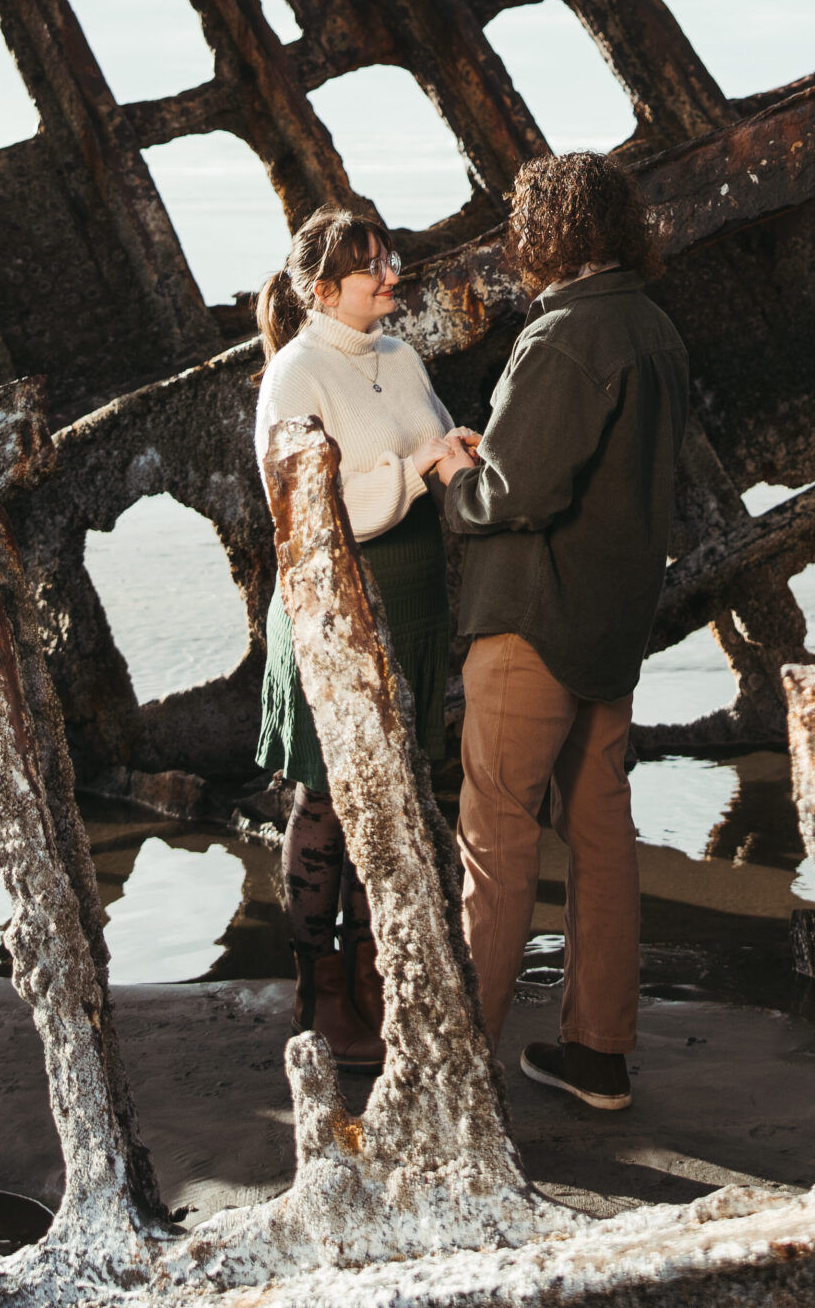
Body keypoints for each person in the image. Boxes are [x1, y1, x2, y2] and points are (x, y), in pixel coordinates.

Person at [442, 152, 686, 1113]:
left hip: (532, 620)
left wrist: (448, 479)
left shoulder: (565, 336)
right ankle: (597, 1052)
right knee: (600, 836)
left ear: (547, 234)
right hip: (611, 617)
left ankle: (457, 1073)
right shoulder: (651, 326)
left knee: (494, 839)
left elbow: (515, 492)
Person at [254, 204, 476, 1069]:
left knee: (392, 796)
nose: (390, 275)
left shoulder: (399, 354)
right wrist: (418, 468)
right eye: (370, 267)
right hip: (335, 609)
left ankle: (377, 972)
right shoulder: (295, 374)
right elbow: (308, 510)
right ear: (322, 290)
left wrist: (455, 450)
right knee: (325, 800)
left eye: (388, 257)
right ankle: (320, 992)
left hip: (412, 609)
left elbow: (426, 444)